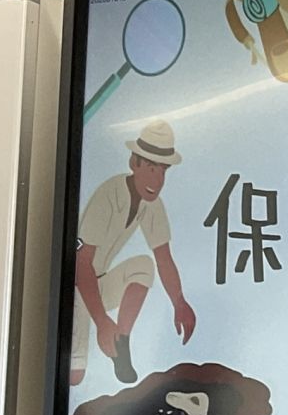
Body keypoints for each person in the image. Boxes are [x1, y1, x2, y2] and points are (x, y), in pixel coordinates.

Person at [70, 119, 197, 387]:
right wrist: (102, 321)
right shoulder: (109, 194)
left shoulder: (151, 204)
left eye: (162, 170)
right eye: (150, 168)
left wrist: (179, 302)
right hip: (76, 286)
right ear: (134, 163)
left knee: (144, 265)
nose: (157, 180)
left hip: (99, 282)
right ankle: (108, 336)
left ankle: (121, 343)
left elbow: (163, 258)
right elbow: (81, 264)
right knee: (74, 377)